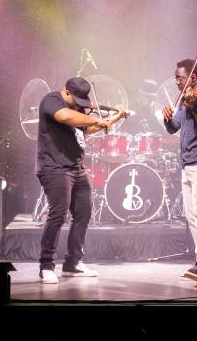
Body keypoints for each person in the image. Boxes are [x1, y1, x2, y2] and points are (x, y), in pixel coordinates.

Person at [36, 76, 125, 284]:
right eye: (76, 100)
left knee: (84, 212)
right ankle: (46, 266)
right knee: (58, 215)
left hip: (76, 167)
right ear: (65, 92)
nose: (80, 106)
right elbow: (65, 117)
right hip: (54, 168)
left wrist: (115, 118)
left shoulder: (79, 110)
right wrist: (97, 119)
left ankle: (72, 263)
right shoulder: (51, 100)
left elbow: (86, 130)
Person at [162, 59, 197, 282]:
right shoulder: (185, 99)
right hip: (187, 164)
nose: (176, 81)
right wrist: (167, 119)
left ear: (192, 78)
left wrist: (195, 108)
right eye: (176, 77)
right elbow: (173, 127)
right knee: (191, 215)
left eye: (180, 77)